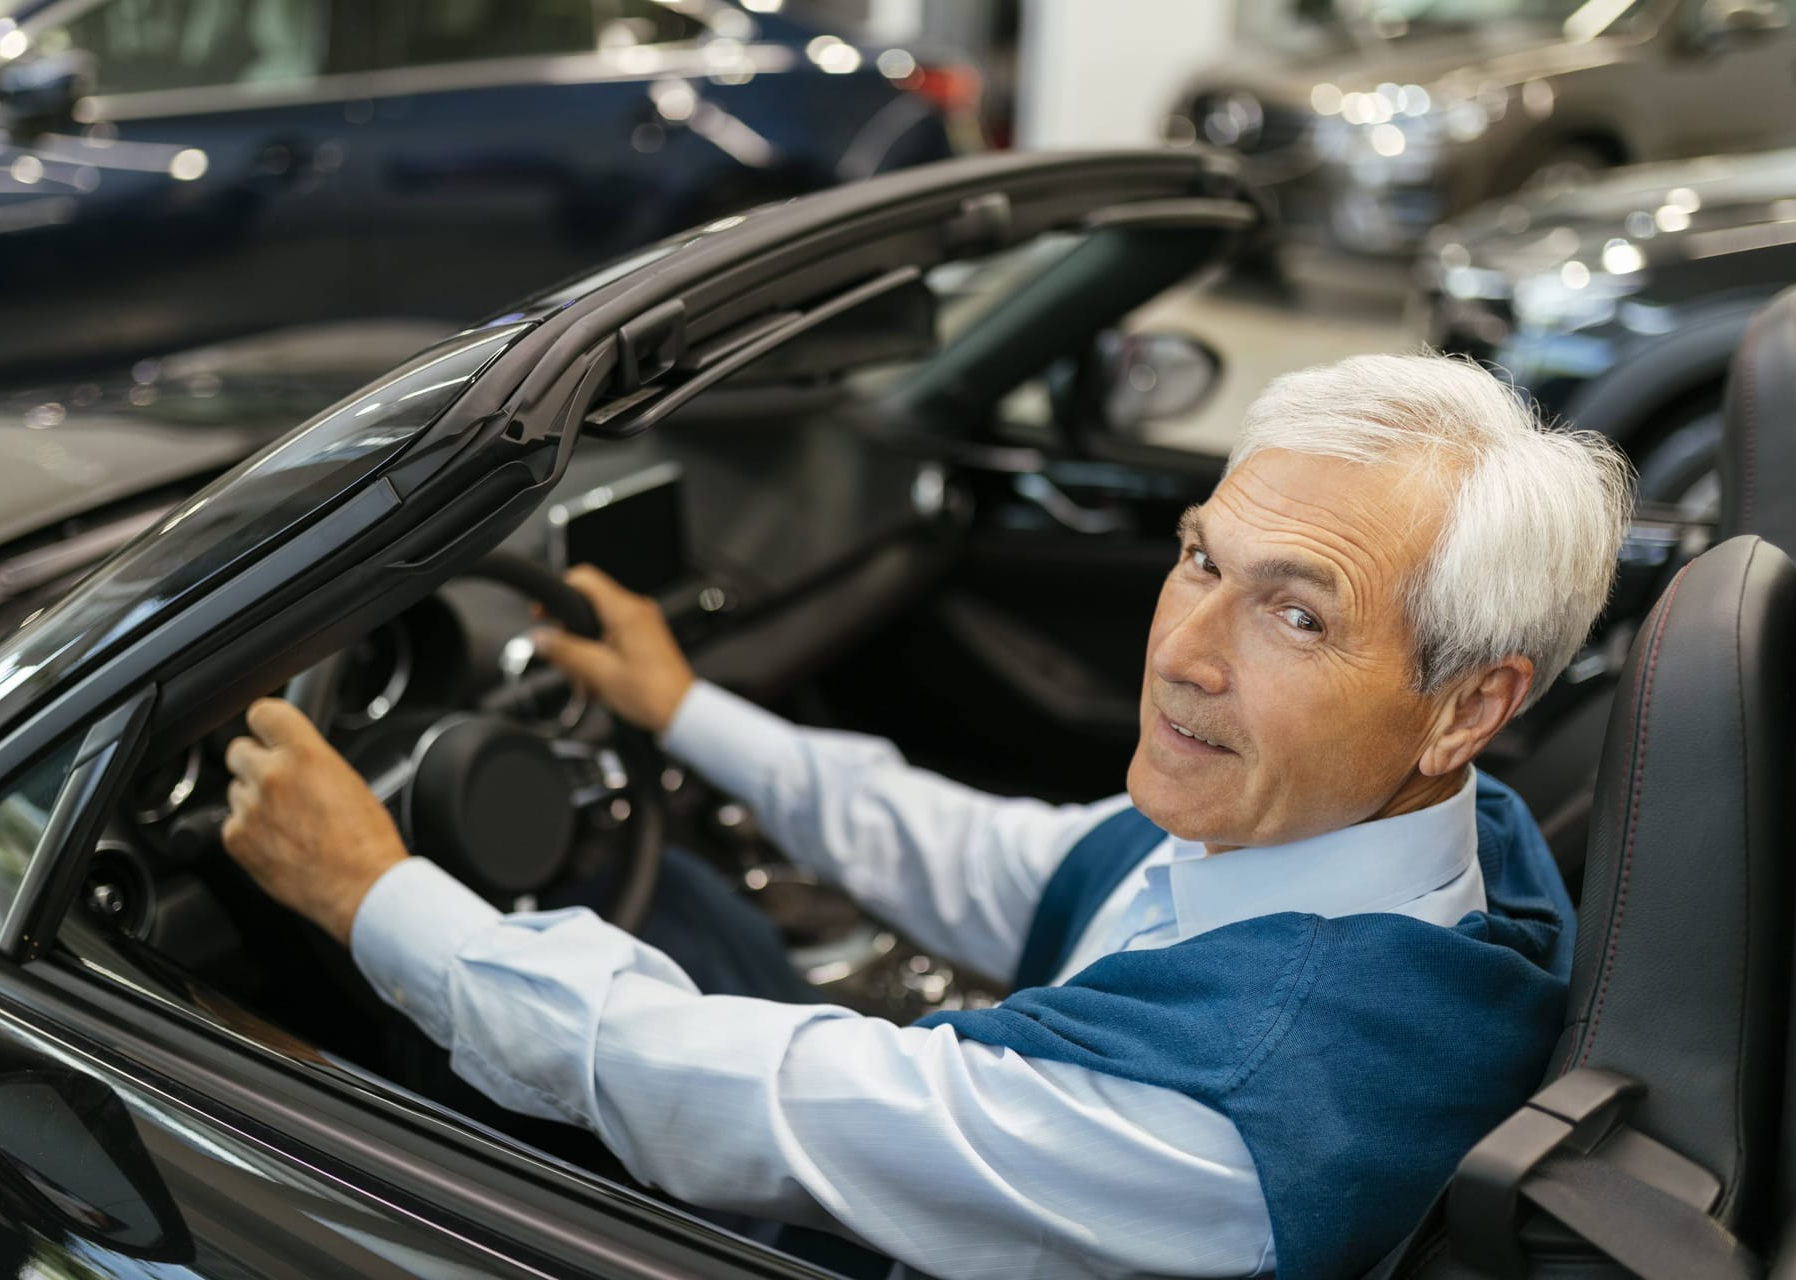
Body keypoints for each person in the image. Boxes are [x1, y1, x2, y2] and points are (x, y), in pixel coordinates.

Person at [219, 354, 1632, 1280]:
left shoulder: (1218, 1122)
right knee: (659, 906)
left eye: (1296, 612)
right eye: (1202, 557)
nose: (1187, 652)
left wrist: (370, 896)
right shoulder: (1427, 835)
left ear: (1465, 703)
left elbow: (719, 1088)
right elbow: (993, 859)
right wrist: (683, 709)